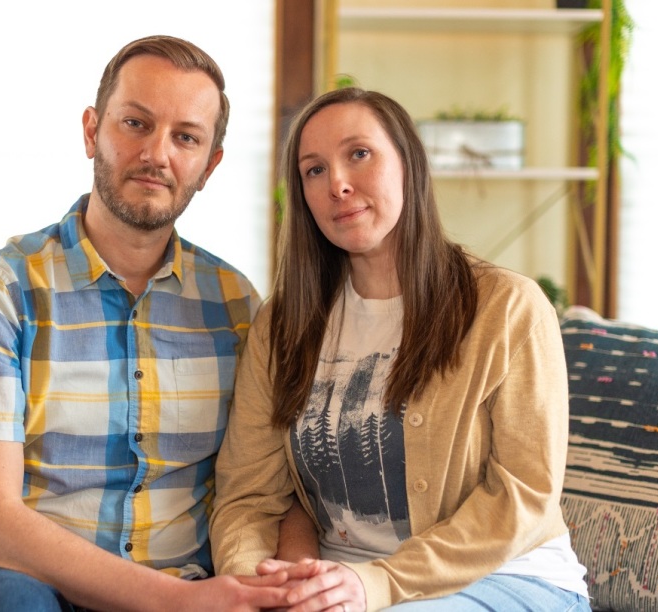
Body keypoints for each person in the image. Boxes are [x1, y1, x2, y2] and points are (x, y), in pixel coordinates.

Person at [0, 35, 293, 611]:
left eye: (185, 137)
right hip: (30, 582)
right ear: (92, 130)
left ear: (209, 163)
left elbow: (262, 487)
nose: (157, 154)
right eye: (136, 124)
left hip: (192, 582)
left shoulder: (238, 305)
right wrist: (172, 602)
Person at [209, 87, 591, 611]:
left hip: (505, 579)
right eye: (314, 170)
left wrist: (378, 584)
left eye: (359, 154)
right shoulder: (283, 325)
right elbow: (249, 497)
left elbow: (523, 496)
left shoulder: (508, 308)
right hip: (343, 589)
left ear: (409, 164)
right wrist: (262, 589)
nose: (338, 184)